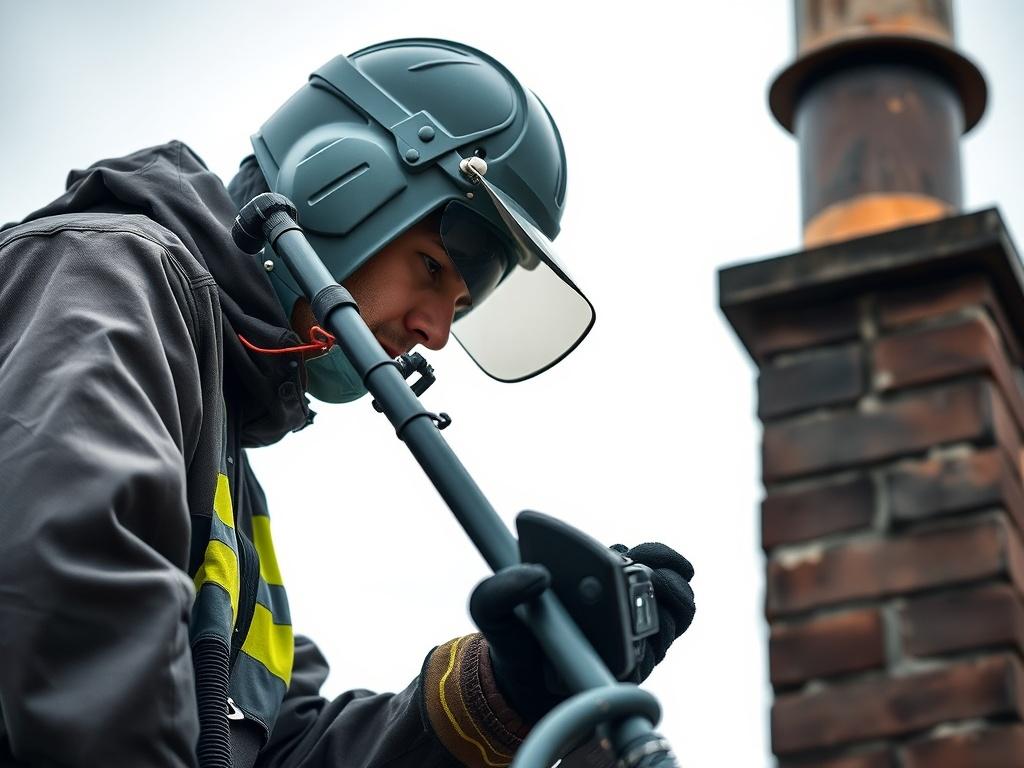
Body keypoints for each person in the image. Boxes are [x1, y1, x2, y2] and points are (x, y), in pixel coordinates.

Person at [0, 39, 695, 768]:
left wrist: (505, 693)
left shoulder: (228, 473)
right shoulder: (105, 275)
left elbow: (277, 747)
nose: (434, 332)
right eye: (430, 268)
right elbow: (66, 602)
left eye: (458, 306)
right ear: (337, 187)